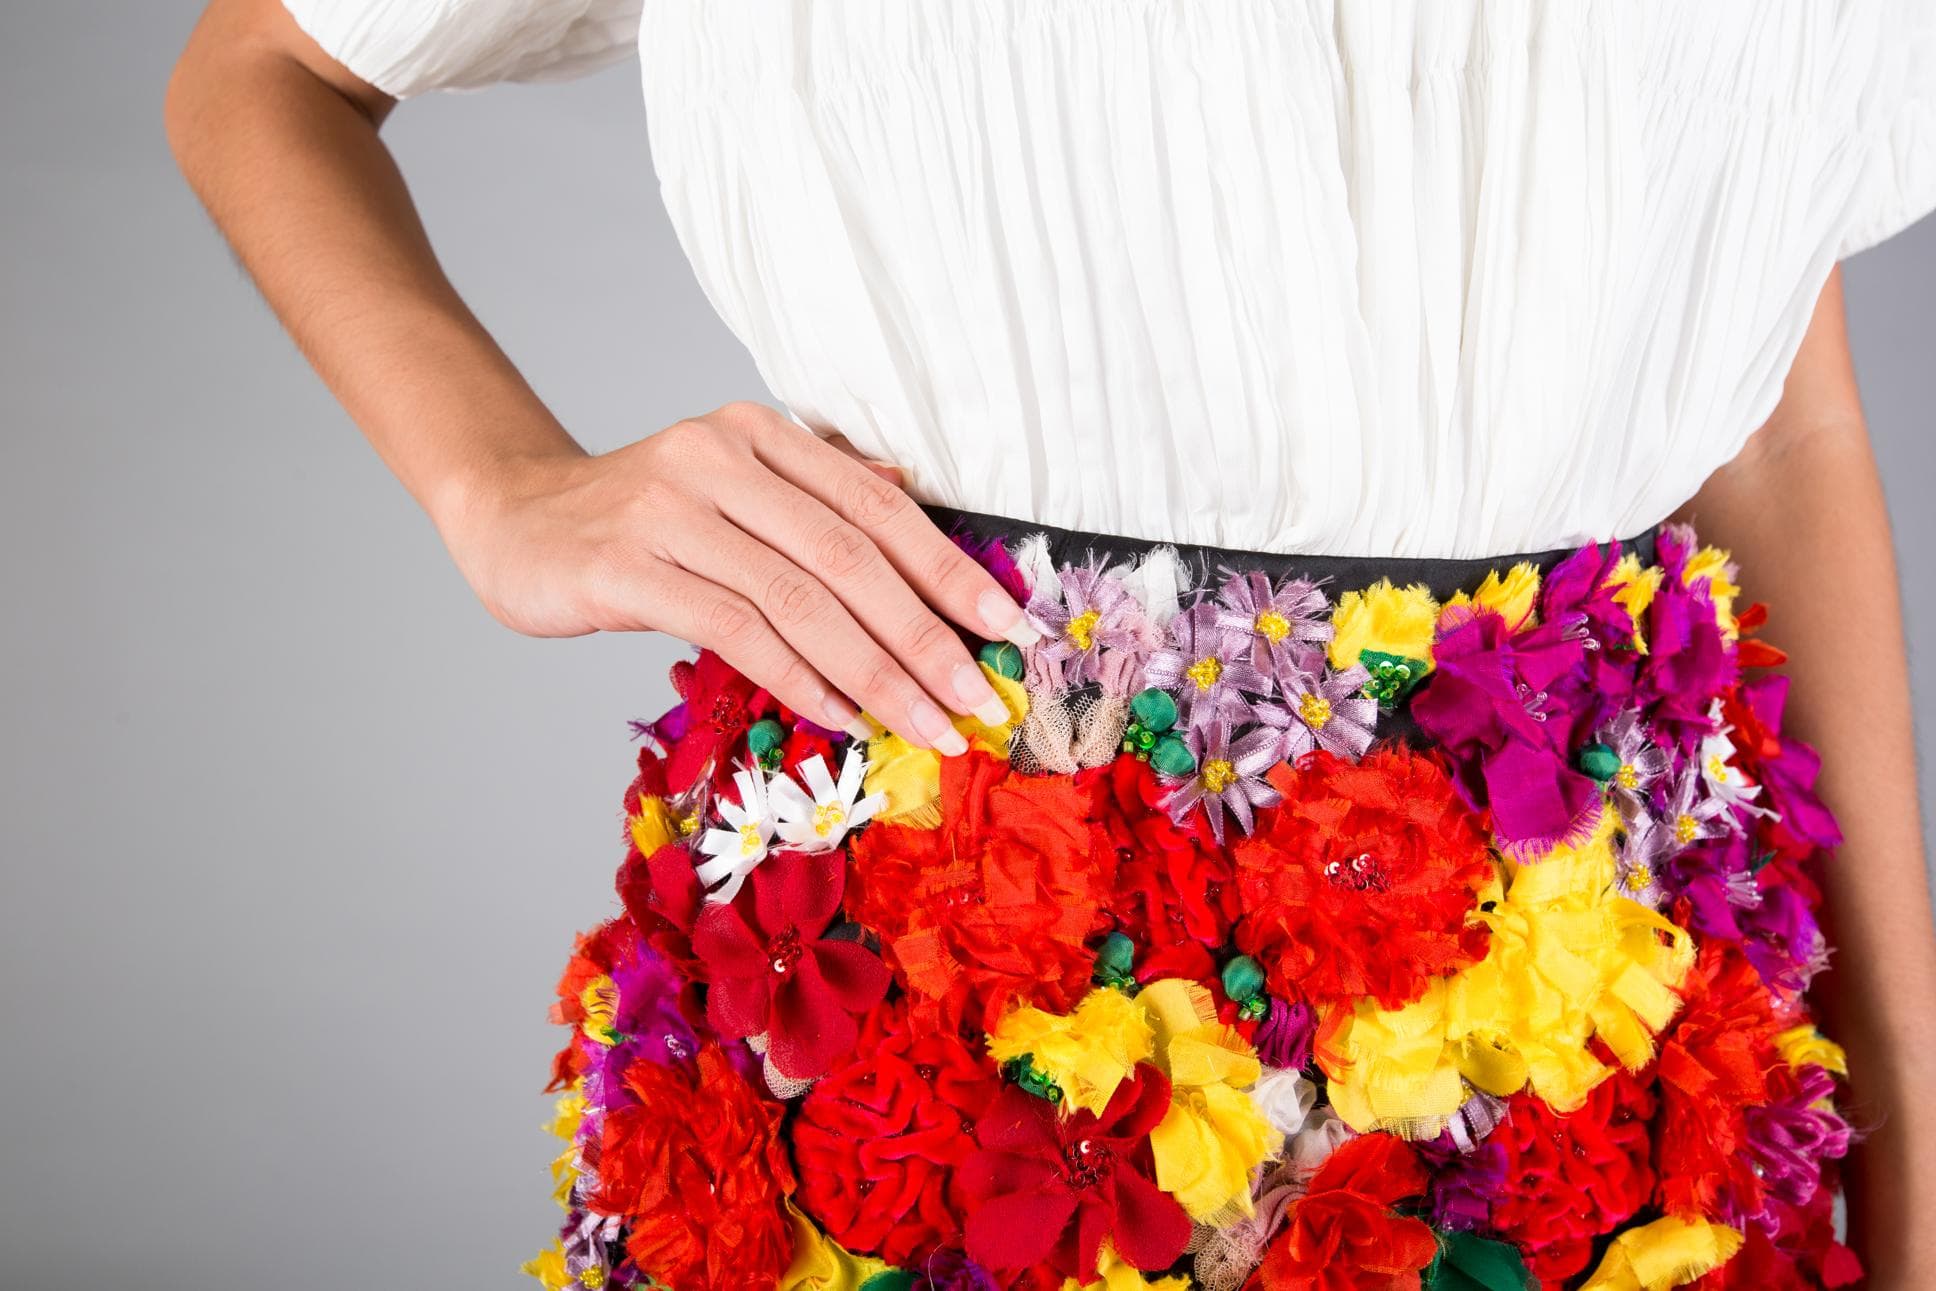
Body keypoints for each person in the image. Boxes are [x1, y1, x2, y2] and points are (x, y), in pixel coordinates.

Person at [167, 2, 1936, 1286]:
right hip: (942, 994)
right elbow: (263, 64)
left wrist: (1918, 1160)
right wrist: (502, 488)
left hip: (1592, 1032)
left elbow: (1776, 425)